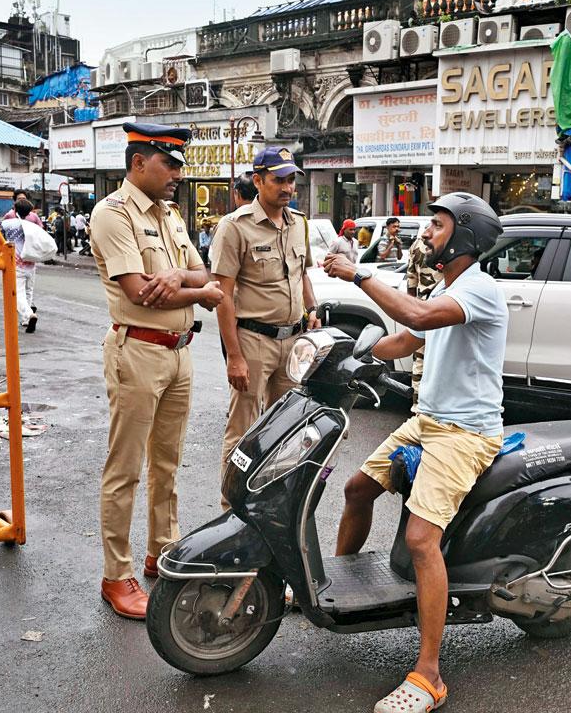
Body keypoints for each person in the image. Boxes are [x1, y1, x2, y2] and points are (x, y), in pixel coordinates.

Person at [322, 192, 507, 713]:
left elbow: (420, 319)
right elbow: (407, 340)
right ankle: (344, 587)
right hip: (427, 422)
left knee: (422, 538)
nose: (426, 233)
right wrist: (348, 354)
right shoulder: (451, 287)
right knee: (356, 489)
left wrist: (358, 275)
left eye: (438, 225)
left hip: (465, 434)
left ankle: (429, 675)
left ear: (466, 236)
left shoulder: (480, 290)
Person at [88, 123, 223, 620]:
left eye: (180, 165)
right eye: (170, 164)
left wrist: (179, 277)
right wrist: (201, 294)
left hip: (178, 352)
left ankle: (160, 551)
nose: (178, 175)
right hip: (138, 351)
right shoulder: (113, 214)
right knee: (124, 469)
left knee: (167, 464)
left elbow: (201, 269)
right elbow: (138, 291)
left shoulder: (169, 215)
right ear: (139, 162)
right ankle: (115, 575)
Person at [210, 147, 320, 507]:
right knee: (243, 429)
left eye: (291, 180)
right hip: (253, 340)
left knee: (287, 427)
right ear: (257, 181)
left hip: (294, 340)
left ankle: (271, 504)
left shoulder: (299, 222)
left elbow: (302, 273)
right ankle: (231, 510)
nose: (287, 188)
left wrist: (313, 308)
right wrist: (234, 356)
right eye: (279, 180)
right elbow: (222, 296)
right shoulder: (235, 227)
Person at [404, 230, 443, 410]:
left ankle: (417, 410)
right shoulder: (448, 243)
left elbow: (411, 285)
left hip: (421, 313)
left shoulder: (418, 243)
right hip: (446, 313)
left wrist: (413, 315)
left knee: (420, 364)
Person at [0, 199, 42, 334]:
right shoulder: (32, 226)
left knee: (18, 294)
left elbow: (0, 237)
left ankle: (29, 314)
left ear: (15, 209)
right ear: (29, 212)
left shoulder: (6, 224)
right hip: (31, 263)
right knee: (29, 291)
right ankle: (25, 319)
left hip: (15, 263)